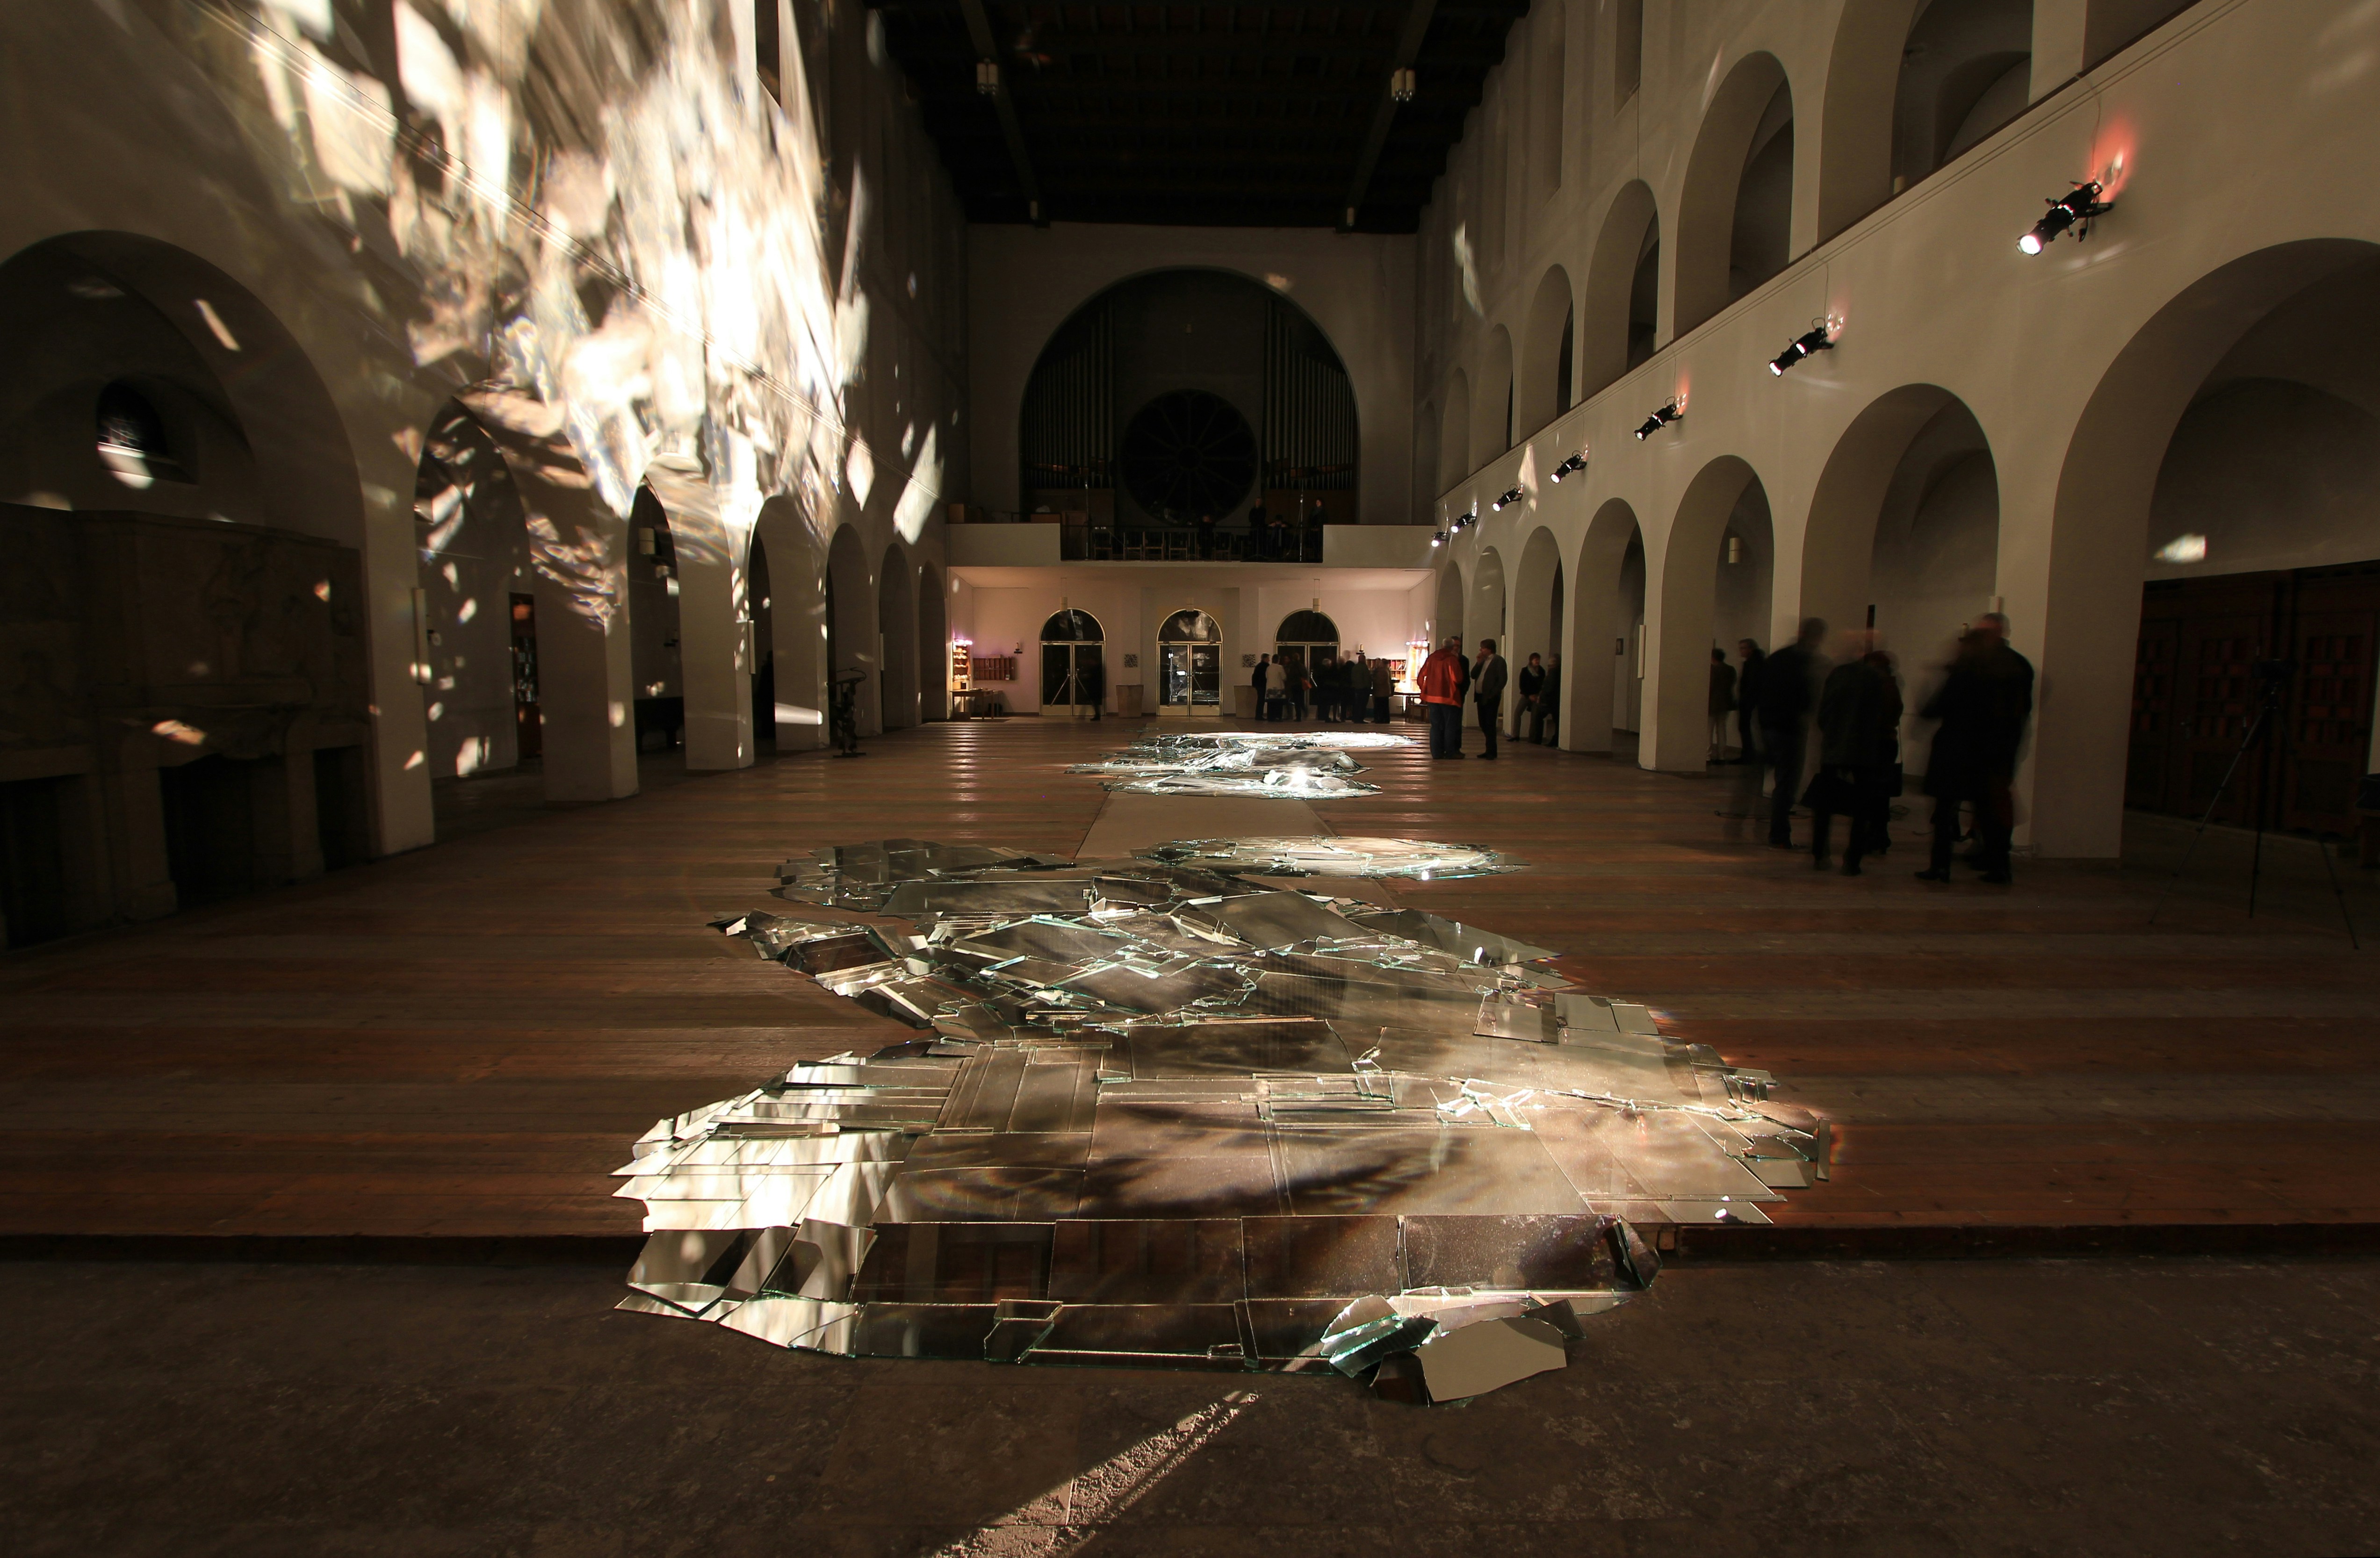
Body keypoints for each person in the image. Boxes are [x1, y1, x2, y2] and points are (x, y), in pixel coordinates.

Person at [1916, 612, 2034, 885]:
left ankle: (1941, 866)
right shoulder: (2016, 667)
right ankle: (1999, 866)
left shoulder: (1965, 671)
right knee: (1990, 811)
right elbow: (2020, 712)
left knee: (1946, 810)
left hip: (1956, 751)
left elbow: (1936, 708)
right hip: (1993, 752)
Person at [1804, 639, 1903, 875]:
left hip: (1835, 747)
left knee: (1825, 805)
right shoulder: (1876, 680)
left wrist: (1831, 733)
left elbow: (1824, 711)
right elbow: (1888, 713)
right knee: (1862, 808)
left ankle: (1820, 854)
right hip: (1865, 750)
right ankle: (1853, 860)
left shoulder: (1838, 675)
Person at [1757, 618, 1827, 848]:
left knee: (1777, 779)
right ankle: (1778, 834)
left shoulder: (1779, 658)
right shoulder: (1803, 661)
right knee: (1787, 783)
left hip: (1771, 727)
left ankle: (1771, 828)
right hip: (1790, 729)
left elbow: (1762, 691)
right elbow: (1804, 698)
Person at [1419, 637, 1465, 757]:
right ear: (1452, 647)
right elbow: (1458, 679)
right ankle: (1450, 752)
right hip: (1448, 698)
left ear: (1442, 645)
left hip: (1432, 697)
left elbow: (1421, 676)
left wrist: (1424, 690)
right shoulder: (1452, 660)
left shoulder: (1432, 658)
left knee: (1435, 726)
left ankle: (1436, 753)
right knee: (1450, 725)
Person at [1471, 638, 1508, 761]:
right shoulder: (1483, 660)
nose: (1481, 650)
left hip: (1491, 697)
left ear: (1489, 649)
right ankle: (1489, 749)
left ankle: (1492, 751)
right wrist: (1478, 662)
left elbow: (1502, 680)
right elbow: (1473, 675)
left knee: (1490, 724)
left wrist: (1493, 693)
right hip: (1481, 696)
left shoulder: (1499, 661)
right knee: (1483, 723)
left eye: (1483, 648)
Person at [1733, 639, 1766, 765]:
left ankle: (1748, 755)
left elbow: (1752, 684)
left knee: (1746, 728)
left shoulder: (1753, 664)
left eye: (1743, 648)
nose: (1741, 651)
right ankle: (1750, 754)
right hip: (1753, 700)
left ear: (1750, 649)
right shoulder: (1757, 662)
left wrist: (1745, 699)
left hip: (1750, 701)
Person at [1709, 646, 1738, 763]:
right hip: (1726, 703)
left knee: (1709, 730)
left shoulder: (1712, 670)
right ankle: (1722, 755)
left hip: (1712, 704)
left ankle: (1708, 755)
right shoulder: (1731, 669)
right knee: (1722, 730)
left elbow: (1711, 687)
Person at [1517, 653, 1546, 744]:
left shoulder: (1541, 671)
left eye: (1538, 659)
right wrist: (1529, 695)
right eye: (1535, 660)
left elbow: (1543, 685)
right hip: (1526, 695)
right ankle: (1515, 735)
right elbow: (1522, 684)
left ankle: (1532, 739)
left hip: (1537, 696)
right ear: (1531, 661)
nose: (1537, 661)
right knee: (1517, 713)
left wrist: (1538, 695)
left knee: (1535, 717)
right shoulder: (1525, 671)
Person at [1536, 654, 1560, 745]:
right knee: (1557, 721)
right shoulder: (1558, 672)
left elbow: (1549, 688)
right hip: (1554, 701)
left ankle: (1537, 739)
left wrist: (1542, 699)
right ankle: (1556, 740)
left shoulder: (1553, 673)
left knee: (1539, 717)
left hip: (1550, 701)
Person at [1262, 653, 1287, 721]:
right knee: (1279, 704)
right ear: (1278, 660)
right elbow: (1284, 677)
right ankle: (1278, 717)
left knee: (1271, 704)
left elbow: (1267, 677)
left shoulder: (1269, 668)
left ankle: (1270, 717)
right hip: (1279, 688)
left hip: (1270, 688)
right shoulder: (1280, 668)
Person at [1371, 652, 1394, 723]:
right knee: (1384, 707)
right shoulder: (1386, 671)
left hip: (1381, 692)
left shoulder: (1382, 671)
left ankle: (1381, 719)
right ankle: (1384, 719)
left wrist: (1373, 678)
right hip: (1384, 692)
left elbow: (1379, 681)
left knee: (1381, 707)